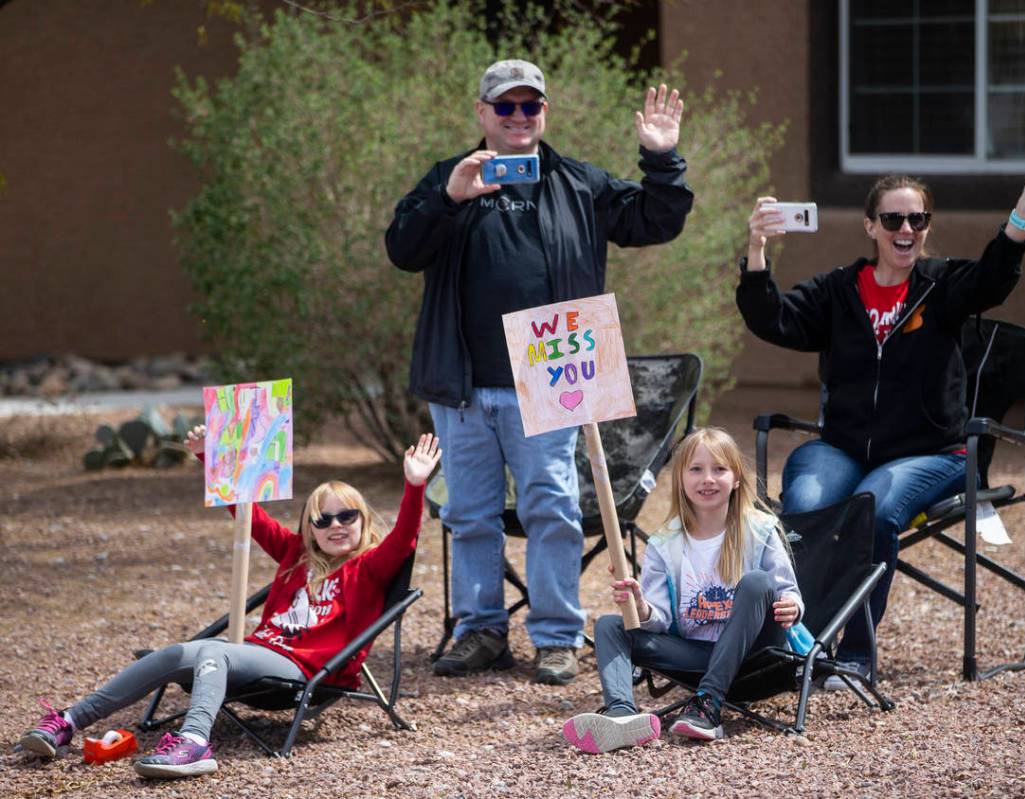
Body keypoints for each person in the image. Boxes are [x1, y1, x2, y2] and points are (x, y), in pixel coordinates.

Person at [385, 59, 694, 685]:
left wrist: (661, 159)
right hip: (463, 383)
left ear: (545, 113)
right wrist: (449, 200)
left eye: (531, 106)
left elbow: (654, 221)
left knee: (550, 508)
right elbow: (402, 249)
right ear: (482, 114)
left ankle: (556, 636)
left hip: (551, 378)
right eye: (506, 107)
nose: (520, 117)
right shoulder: (451, 178)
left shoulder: (578, 182)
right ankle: (480, 631)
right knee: (469, 515)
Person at [736, 164, 1025, 686]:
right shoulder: (840, 290)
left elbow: (993, 279)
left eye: (917, 219)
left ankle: (856, 655)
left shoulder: (941, 287)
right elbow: (774, 319)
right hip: (845, 447)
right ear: (870, 225)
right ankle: (798, 646)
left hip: (932, 453)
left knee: (874, 509)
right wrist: (757, 249)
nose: (906, 230)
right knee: (806, 507)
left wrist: (1024, 215)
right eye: (894, 219)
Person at [17, 428, 440, 779]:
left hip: (302, 671)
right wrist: (208, 458)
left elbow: (404, 538)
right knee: (176, 654)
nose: (336, 526)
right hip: (258, 654)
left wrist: (415, 485)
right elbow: (248, 515)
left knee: (214, 654)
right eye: (323, 519)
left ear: (362, 522)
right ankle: (68, 722)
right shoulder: (296, 556)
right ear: (309, 530)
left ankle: (195, 743)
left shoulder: (368, 567)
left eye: (347, 516)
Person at [562, 427, 807, 751]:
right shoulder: (664, 544)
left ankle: (708, 703)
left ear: (736, 479)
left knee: (758, 581)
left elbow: (789, 591)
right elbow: (660, 619)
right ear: (680, 479)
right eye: (696, 469)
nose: (707, 478)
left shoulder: (758, 529)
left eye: (719, 469)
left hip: (756, 655)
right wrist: (639, 604)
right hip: (697, 653)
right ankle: (622, 715)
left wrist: (791, 604)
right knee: (610, 625)